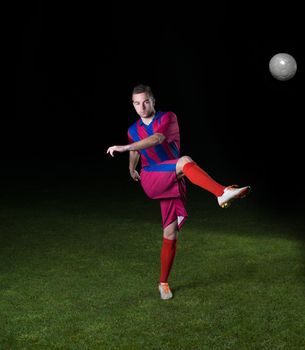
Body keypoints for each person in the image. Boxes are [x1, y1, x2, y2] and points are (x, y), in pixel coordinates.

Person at [106, 84, 250, 300]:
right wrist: (131, 167)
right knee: (185, 161)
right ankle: (221, 193)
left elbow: (157, 139)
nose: (142, 107)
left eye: (146, 101)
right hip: (152, 177)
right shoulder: (132, 130)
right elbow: (135, 148)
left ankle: (163, 283)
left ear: (153, 101)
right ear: (133, 105)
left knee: (170, 233)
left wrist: (126, 148)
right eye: (137, 103)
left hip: (172, 177)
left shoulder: (168, 118)